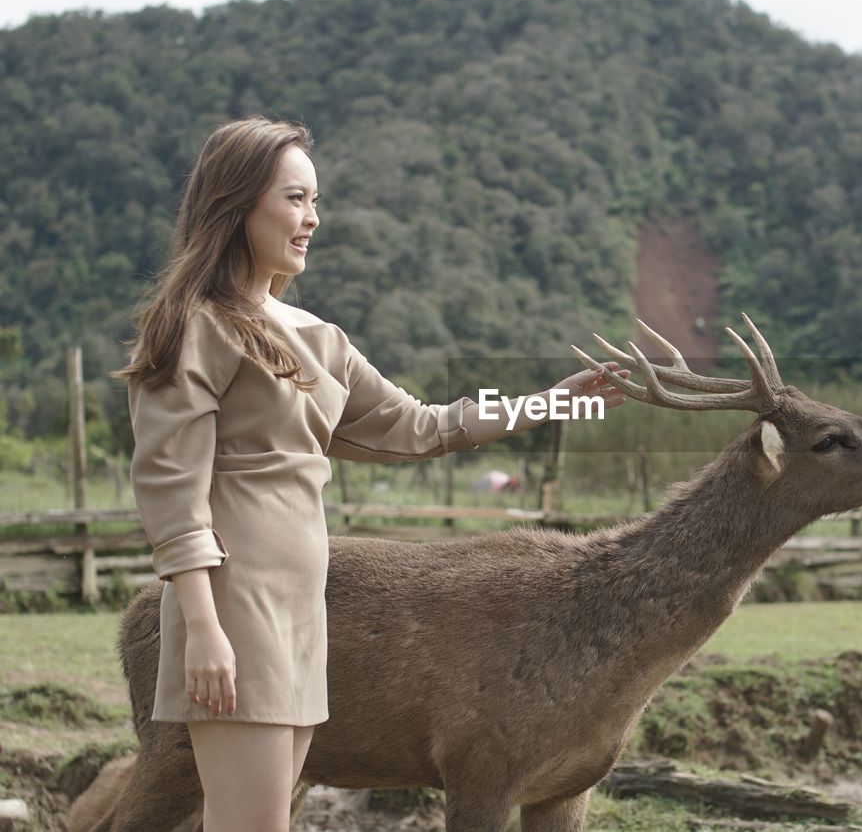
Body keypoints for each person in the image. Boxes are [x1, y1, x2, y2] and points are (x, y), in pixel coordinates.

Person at [113, 116, 627, 832]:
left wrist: (551, 401)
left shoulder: (319, 337)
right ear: (236, 203)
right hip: (234, 607)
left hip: (303, 610)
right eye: (294, 198)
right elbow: (172, 492)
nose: (312, 218)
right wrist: (202, 627)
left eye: (315, 200)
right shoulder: (194, 326)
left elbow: (423, 426)